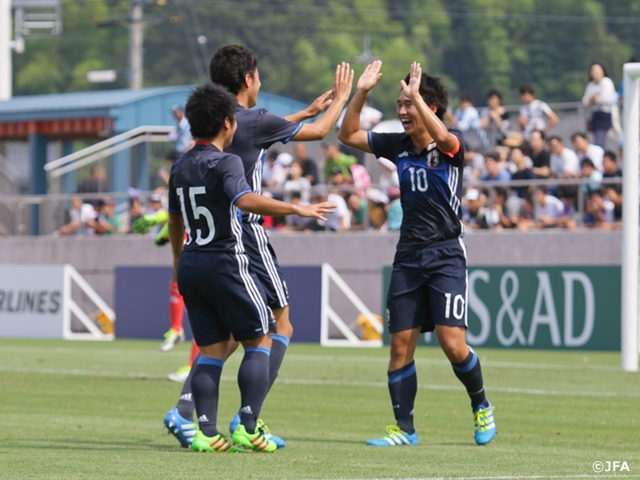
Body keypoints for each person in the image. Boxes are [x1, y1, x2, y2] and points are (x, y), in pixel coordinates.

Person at [163, 44, 353, 450]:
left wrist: (302, 112)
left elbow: (259, 131)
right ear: (249, 78)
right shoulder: (251, 120)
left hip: (201, 243)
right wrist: (340, 100)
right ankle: (248, 420)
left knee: (226, 334)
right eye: (259, 74)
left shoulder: (217, 127)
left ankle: (186, 409)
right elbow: (318, 133)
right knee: (276, 325)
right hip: (243, 232)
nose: (260, 81)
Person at [338, 60, 496, 446]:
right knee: (398, 346)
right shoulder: (398, 145)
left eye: (409, 104)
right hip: (408, 255)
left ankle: (481, 405)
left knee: (451, 343)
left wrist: (418, 96)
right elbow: (347, 134)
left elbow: (443, 137)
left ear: (431, 108)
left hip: (445, 254)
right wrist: (361, 91)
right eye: (400, 103)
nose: (402, 111)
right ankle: (404, 430)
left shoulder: (452, 143)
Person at [582, 63, 616, 149]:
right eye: (592, 71)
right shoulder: (591, 85)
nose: (594, 73)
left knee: (602, 138)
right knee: (596, 139)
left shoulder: (606, 82)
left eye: (596, 71)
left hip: (605, 114)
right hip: (594, 115)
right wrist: (594, 98)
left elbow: (605, 99)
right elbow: (585, 101)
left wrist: (593, 99)